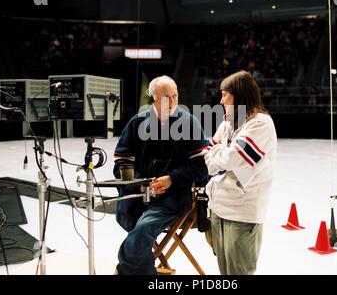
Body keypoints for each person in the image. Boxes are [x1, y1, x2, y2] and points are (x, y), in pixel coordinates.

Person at [113, 75, 209, 275]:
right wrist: (140, 184)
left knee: (140, 232)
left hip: (172, 198)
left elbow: (202, 168)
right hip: (138, 197)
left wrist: (172, 179)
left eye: (175, 96)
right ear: (153, 99)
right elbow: (122, 163)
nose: (173, 102)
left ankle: (126, 271)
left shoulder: (190, 123)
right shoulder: (136, 123)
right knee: (138, 232)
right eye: (166, 97)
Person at [204, 70, 277, 275]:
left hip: (243, 213)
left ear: (240, 95)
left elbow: (232, 158)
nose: (221, 101)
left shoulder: (260, 123)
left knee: (239, 272)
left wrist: (220, 154)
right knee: (225, 271)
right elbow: (208, 157)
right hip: (219, 207)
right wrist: (221, 155)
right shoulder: (228, 123)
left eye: (225, 95)